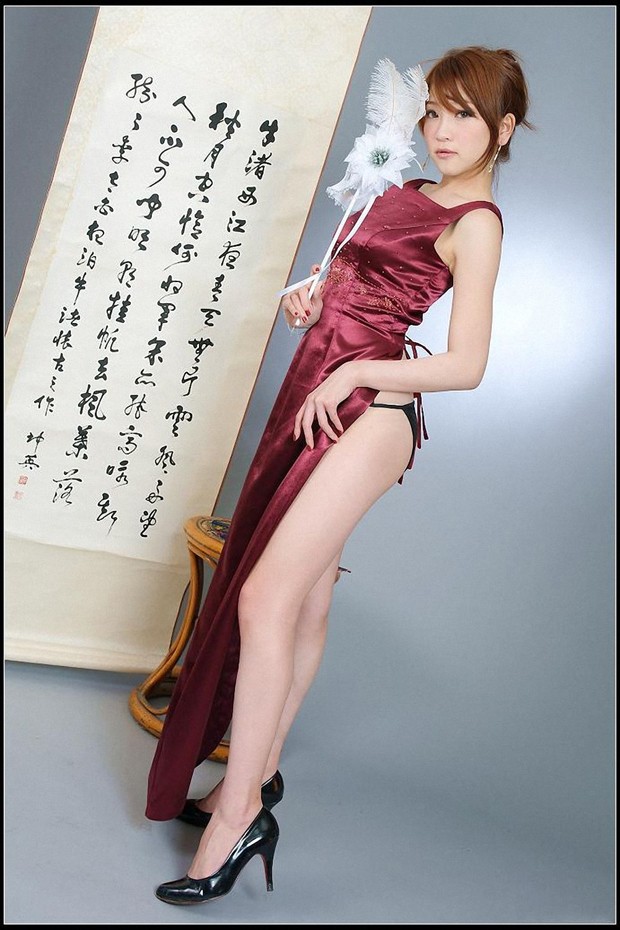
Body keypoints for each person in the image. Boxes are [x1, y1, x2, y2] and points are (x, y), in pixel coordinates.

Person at [148, 45, 532, 905]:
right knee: (309, 600)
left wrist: (356, 368)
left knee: (264, 599)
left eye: (465, 115)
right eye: (434, 111)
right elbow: (359, 296)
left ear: (503, 129)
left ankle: (238, 814)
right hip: (315, 396)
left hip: (372, 415)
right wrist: (314, 301)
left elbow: (467, 365)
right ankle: (256, 774)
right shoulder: (404, 191)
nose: (441, 130)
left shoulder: (477, 224)